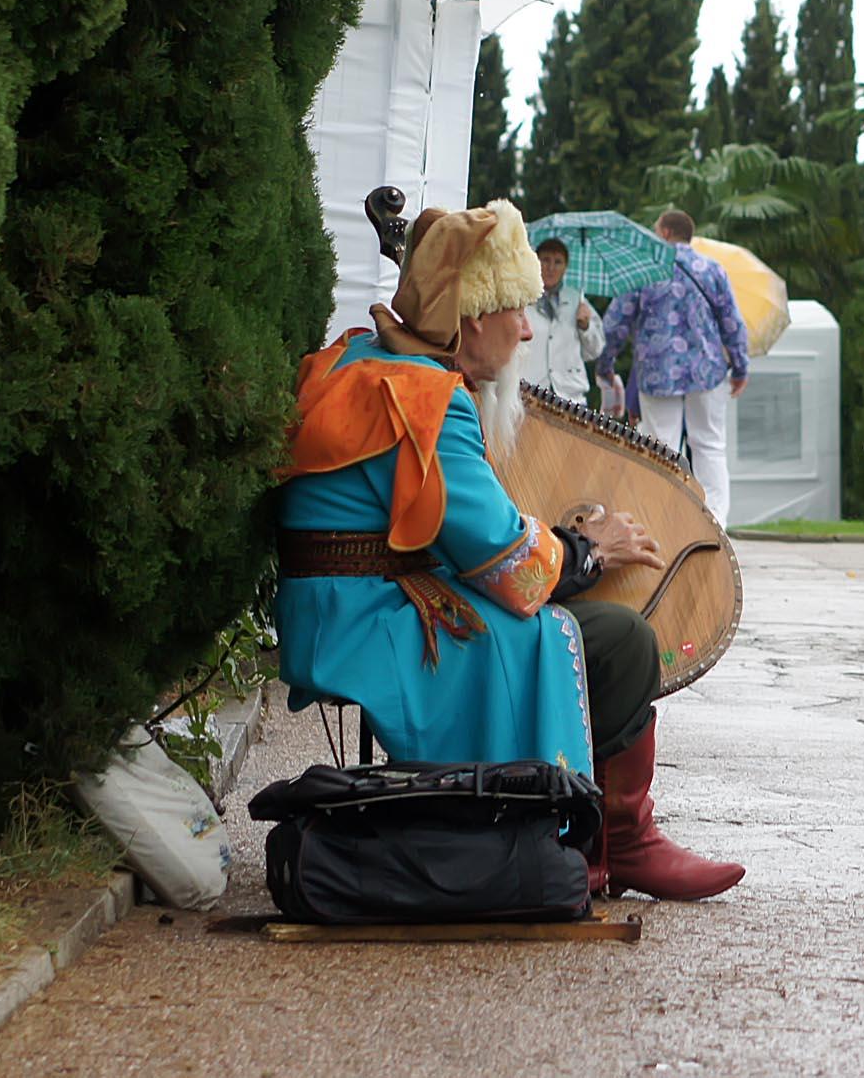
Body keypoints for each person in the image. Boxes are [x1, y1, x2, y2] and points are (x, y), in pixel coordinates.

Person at [273, 199, 743, 901]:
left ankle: (612, 836)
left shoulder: (368, 359)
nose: (528, 327)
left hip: (341, 610)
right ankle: (591, 835)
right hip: (369, 629)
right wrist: (589, 546)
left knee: (591, 632)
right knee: (617, 639)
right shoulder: (426, 397)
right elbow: (514, 569)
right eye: (517, 309)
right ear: (470, 319)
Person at [596, 210, 749, 524]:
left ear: (665, 232)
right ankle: (715, 523)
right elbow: (732, 322)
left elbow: (615, 324)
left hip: (658, 372)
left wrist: (605, 364)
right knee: (709, 445)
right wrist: (740, 368)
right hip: (707, 372)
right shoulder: (712, 269)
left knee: (660, 446)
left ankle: (660, 521)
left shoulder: (644, 269)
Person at [520, 236, 604, 404]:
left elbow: (595, 351)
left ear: (565, 267)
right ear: (535, 261)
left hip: (570, 395)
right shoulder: (522, 298)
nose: (551, 268)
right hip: (528, 391)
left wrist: (585, 326)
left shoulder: (577, 300)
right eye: (545, 260)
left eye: (558, 262)